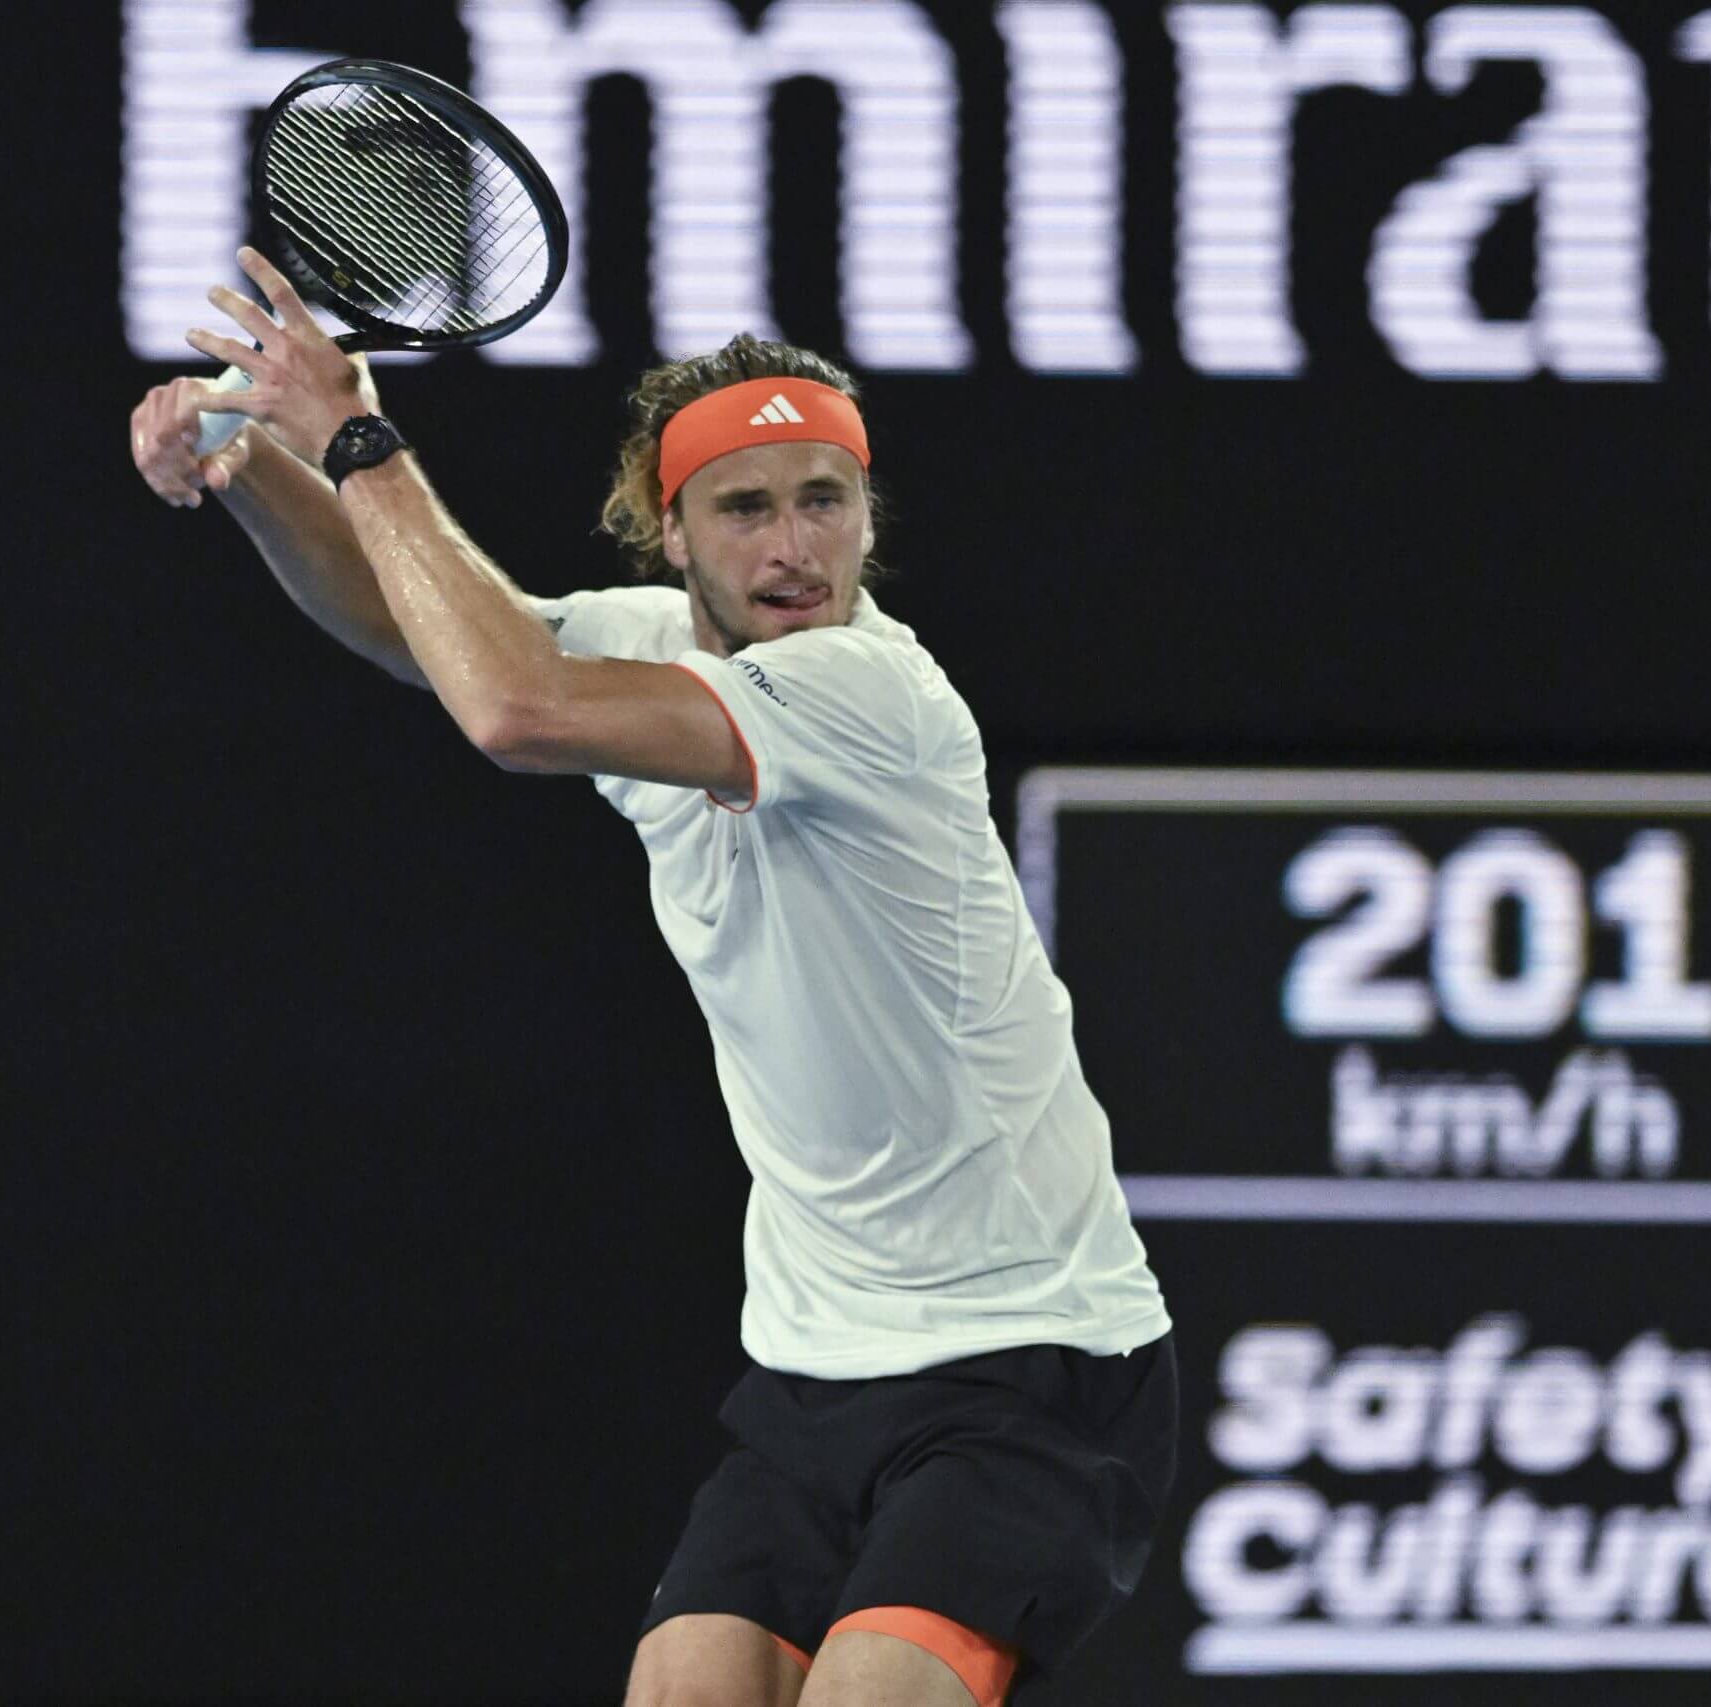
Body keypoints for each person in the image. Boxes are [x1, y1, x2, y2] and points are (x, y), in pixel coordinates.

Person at [129, 248, 1177, 1707]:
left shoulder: (868, 692)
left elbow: (509, 708)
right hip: (815, 1367)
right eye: (746, 508)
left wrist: (358, 437)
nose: (794, 545)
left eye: (828, 498)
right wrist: (253, 470)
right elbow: (414, 623)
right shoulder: (643, 648)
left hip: (1030, 1369)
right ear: (669, 537)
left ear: (871, 518)